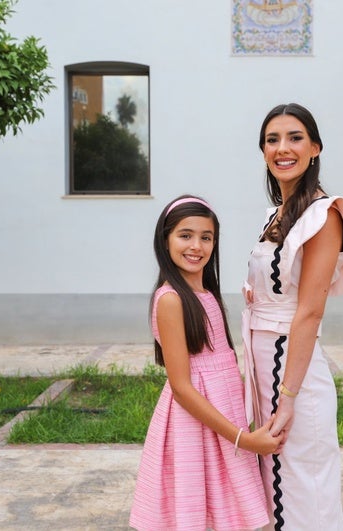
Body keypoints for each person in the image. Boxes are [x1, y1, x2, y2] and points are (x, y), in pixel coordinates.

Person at [241, 104, 343, 530]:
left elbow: (310, 311)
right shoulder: (272, 215)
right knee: (276, 487)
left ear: (315, 147)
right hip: (264, 366)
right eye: (272, 140)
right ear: (262, 151)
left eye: (294, 137)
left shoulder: (324, 215)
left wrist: (288, 398)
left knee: (303, 488)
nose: (283, 148)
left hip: (292, 371)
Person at [130, 195, 283, 531]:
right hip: (195, 423)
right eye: (185, 235)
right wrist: (242, 438)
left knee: (224, 509)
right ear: (165, 239)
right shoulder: (171, 300)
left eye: (206, 237)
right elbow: (183, 388)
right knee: (195, 512)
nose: (196, 245)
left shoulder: (206, 294)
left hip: (221, 416)